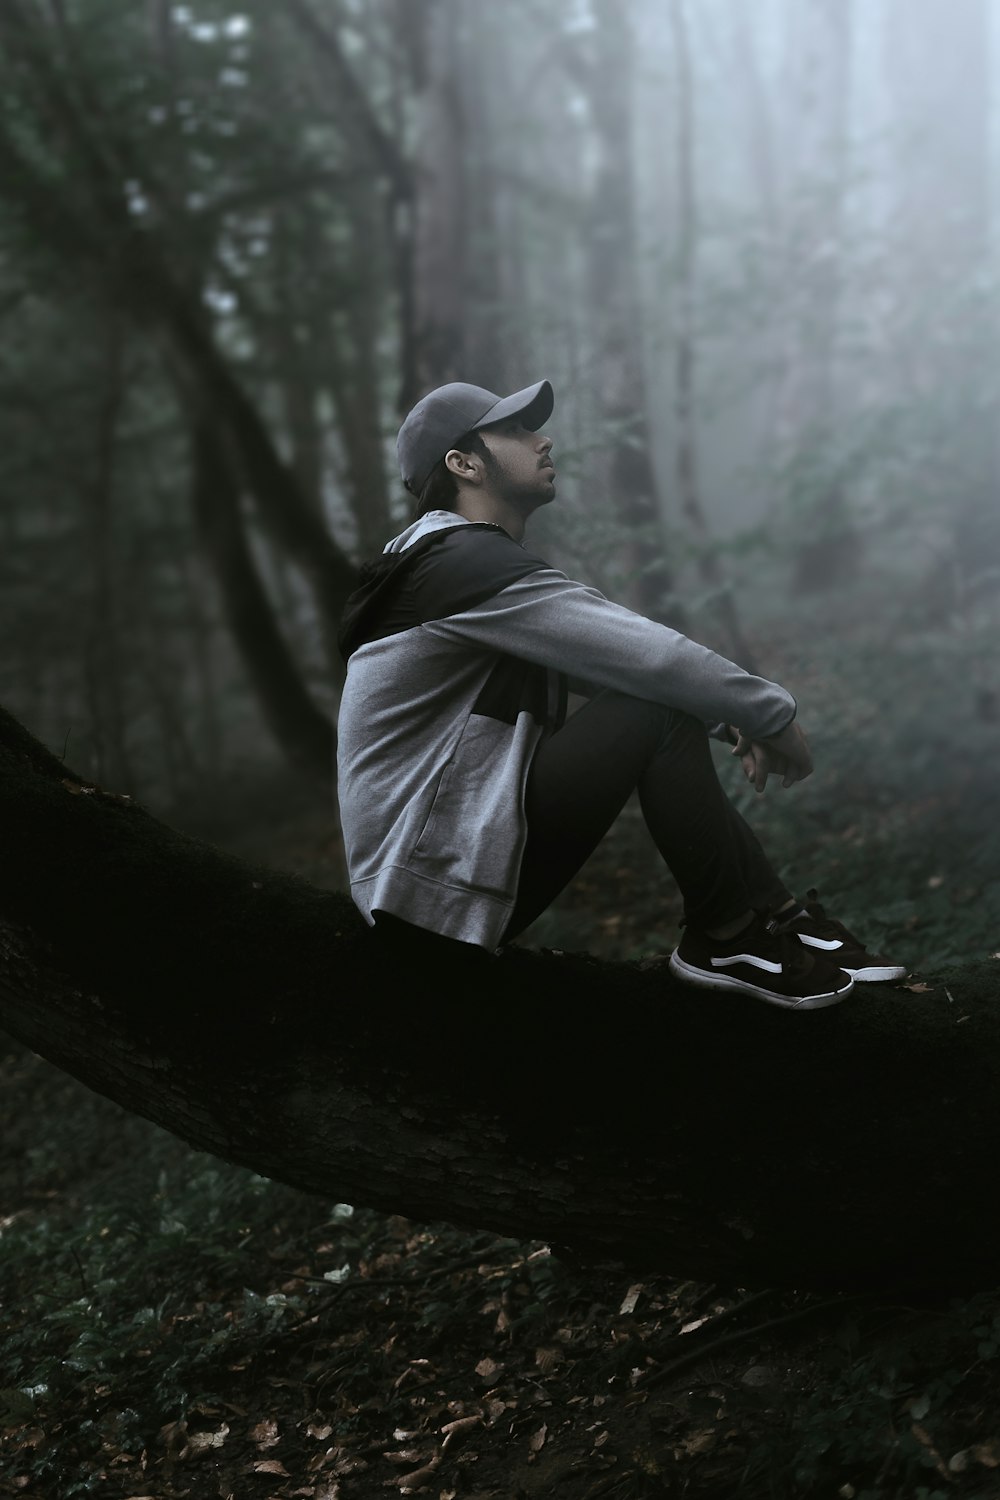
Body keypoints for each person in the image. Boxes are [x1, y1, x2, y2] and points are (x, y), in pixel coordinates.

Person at [336, 379, 904, 1010]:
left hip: (436, 878)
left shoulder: (457, 567)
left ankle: (775, 919)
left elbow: (607, 672)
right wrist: (769, 714)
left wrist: (725, 722)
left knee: (661, 703)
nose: (543, 438)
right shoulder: (456, 565)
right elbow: (646, 657)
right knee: (656, 708)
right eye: (517, 430)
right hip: (424, 893)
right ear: (464, 464)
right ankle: (727, 936)